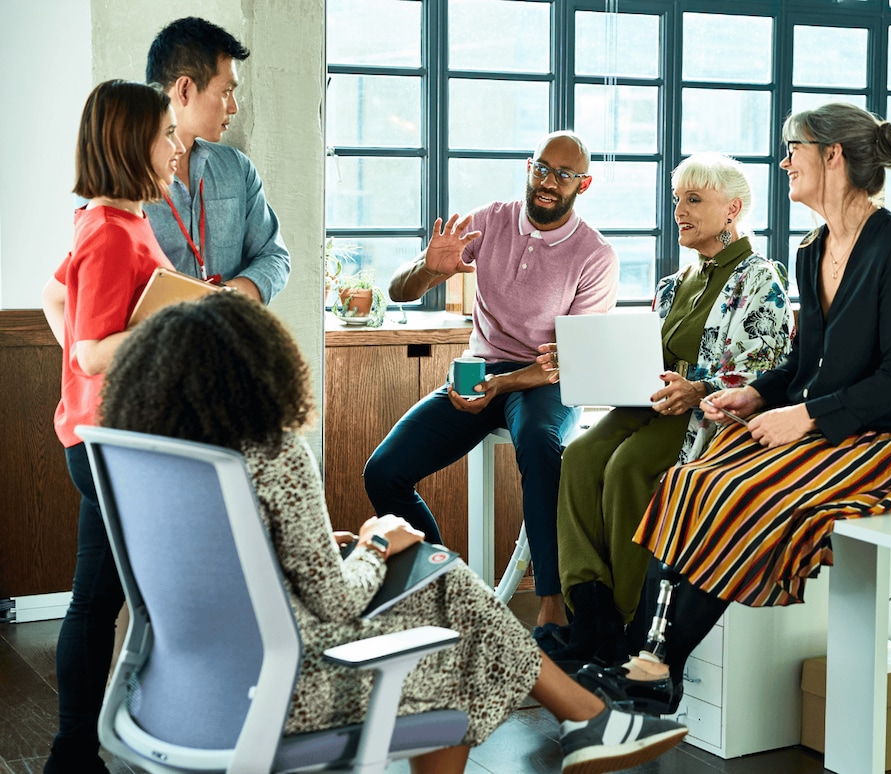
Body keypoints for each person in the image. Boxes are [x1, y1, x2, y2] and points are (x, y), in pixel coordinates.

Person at [99, 291, 687, 774]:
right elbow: (334, 600)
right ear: (258, 370)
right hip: (282, 693)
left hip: (171, 694)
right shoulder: (274, 453)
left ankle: (586, 720)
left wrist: (329, 546)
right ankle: (588, 719)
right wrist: (377, 544)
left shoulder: (152, 460)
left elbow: (223, 561)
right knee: (447, 630)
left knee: (439, 578)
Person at [577, 103, 891, 714]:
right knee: (688, 482)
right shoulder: (813, 250)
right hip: (834, 431)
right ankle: (642, 658)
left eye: (792, 147)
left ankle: (655, 666)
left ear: (833, 155)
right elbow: (808, 362)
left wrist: (803, 417)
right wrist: (757, 393)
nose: (783, 161)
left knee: (739, 491)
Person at [541, 153, 793, 666]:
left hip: (703, 413)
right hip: (649, 403)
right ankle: (590, 611)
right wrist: (581, 362)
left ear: (733, 210)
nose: (679, 210)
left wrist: (698, 389)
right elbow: (644, 358)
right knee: (580, 455)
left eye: (694, 200)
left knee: (626, 467)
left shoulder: (759, 279)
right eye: (677, 200)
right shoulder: (675, 283)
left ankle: (631, 621)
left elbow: (769, 366)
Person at [365, 131, 617, 630]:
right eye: (542, 168)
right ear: (529, 168)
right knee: (384, 471)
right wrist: (429, 269)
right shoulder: (488, 221)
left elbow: (567, 363)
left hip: (546, 382)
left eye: (564, 175)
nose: (548, 182)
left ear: (582, 185)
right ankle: (446, 589)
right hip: (482, 368)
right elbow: (399, 291)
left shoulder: (595, 255)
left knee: (541, 447)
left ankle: (551, 605)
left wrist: (500, 389)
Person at [39, 79, 185, 773]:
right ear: (133, 142)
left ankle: (87, 749)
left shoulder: (114, 219)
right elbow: (94, 349)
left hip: (109, 439)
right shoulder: (107, 229)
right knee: (99, 603)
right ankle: (75, 753)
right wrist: (181, 317)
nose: (175, 145)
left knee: (106, 600)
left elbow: (53, 295)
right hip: (110, 445)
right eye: (165, 135)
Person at [44, 17, 291, 328]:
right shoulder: (118, 190)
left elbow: (275, 257)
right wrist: (91, 369)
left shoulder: (237, 169)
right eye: (227, 91)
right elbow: (66, 297)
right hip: (159, 367)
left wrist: (229, 297)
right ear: (185, 89)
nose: (234, 107)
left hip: (227, 357)